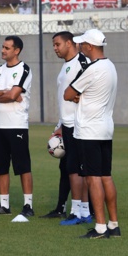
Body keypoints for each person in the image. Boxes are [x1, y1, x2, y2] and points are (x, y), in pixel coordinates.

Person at [64, 29, 119, 239]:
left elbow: (68, 93)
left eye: (82, 44)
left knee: (93, 178)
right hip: (105, 128)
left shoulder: (93, 68)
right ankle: (113, 225)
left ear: (90, 47)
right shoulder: (111, 66)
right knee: (106, 176)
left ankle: (100, 227)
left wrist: (79, 97)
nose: (80, 47)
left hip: (89, 130)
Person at [0, 35, 34, 218]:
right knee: (1, 166)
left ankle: (28, 205)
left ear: (16, 50)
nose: (3, 50)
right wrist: (4, 92)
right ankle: (4, 205)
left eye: (7, 48)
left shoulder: (24, 69)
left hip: (17, 125)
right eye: (2, 47)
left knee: (22, 166)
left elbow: (14, 96)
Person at [44, 31, 91, 223]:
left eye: (57, 44)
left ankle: (79, 212)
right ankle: (72, 210)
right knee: (69, 169)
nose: (55, 48)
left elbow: (87, 94)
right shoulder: (66, 66)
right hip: (67, 124)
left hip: (79, 125)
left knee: (77, 169)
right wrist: (60, 125)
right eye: (53, 45)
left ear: (70, 43)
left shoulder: (82, 63)